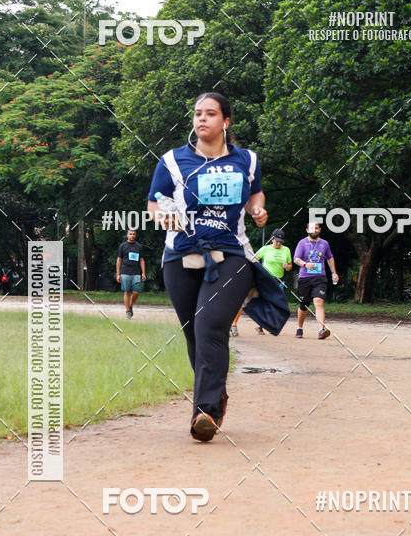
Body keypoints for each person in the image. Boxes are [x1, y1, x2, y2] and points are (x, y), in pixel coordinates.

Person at [146, 91, 269, 442]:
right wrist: (163, 217)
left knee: (210, 325)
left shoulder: (247, 160)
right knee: (193, 335)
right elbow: (154, 202)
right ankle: (216, 397)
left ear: (225, 121)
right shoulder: (172, 160)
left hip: (231, 254)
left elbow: (256, 193)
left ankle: (205, 412)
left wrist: (257, 209)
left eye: (210, 114)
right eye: (198, 113)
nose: (202, 119)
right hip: (180, 256)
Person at [293, 222, 339, 339]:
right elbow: (296, 259)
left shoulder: (324, 244)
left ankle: (321, 330)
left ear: (320, 230)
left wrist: (334, 272)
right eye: (312, 228)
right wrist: (305, 264)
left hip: (320, 277)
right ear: (307, 230)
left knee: (319, 302)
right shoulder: (302, 243)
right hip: (305, 277)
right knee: (304, 304)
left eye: (316, 228)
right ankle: (299, 327)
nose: (314, 230)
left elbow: (330, 258)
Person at [252, 228, 292, 333]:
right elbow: (254, 258)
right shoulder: (265, 248)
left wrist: (286, 266)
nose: (279, 243)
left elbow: (290, 266)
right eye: (277, 240)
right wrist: (259, 269)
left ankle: (269, 324)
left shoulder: (286, 250)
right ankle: (260, 325)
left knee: (277, 302)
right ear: (272, 239)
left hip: (280, 279)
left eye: (281, 241)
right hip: (267, 278)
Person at [116, 229, 146, 319]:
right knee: (126, 292)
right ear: (127, 235)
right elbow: (119, 260)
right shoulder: (122, 246)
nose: (132, 235)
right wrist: (118, 274)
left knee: (136, 292)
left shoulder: (139, 247)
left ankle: (130, 306)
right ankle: (128, 311)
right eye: (130, 234)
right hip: (125, 272)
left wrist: (143, 273)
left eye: (134, 234)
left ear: (135, 235)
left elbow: (142, 260)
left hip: (136, 272)